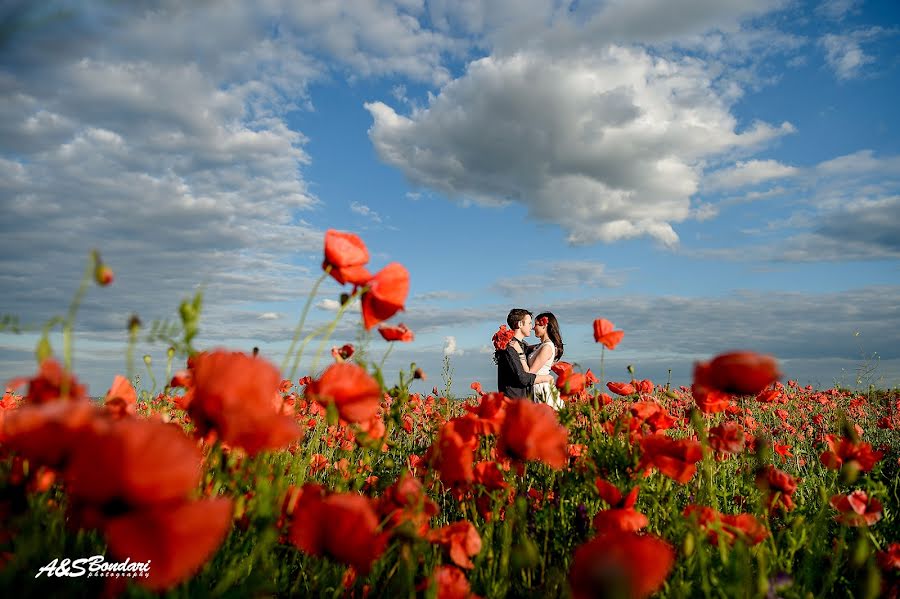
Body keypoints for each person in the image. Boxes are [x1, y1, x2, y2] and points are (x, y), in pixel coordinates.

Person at [496, 308, 552, 399]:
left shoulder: (521, 345)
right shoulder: (510, 347)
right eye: (529, 323)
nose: (532, 327)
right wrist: (546, 378)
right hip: (513, 401)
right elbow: (523, 378)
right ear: (520, 324)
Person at [519, 312, 565, 410]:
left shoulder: (547, 347)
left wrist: (520, 355)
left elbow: (530, 373)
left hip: (542, 389)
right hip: (537, 387)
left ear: (544, 326)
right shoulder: (540, 346)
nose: (533, 328)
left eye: (536, 325)